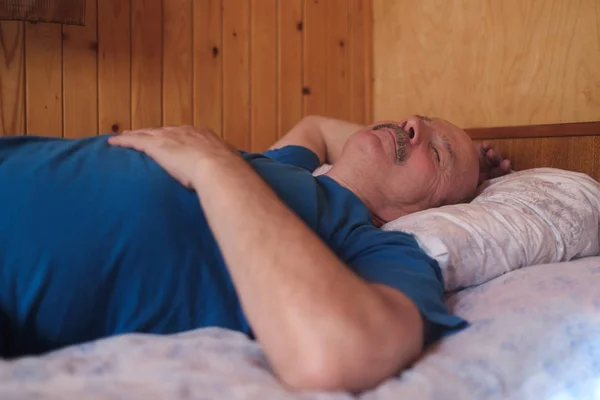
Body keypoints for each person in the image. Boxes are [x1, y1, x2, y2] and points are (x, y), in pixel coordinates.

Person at [0, 115, 510, 392]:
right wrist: (450, 152)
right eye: (414, 119)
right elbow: (315, 124)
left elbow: (342, 352)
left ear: (428, 210)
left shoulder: (380, 245)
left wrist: (213, 165)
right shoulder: (290, 167)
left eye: (436, 151)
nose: (412, 124)